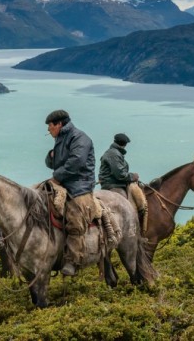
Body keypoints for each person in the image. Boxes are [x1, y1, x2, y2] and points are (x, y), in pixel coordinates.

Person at [44, 109, 96, 276]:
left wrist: (57, 177)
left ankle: (72, 260)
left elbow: (77, 162)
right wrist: (51, 156)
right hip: (63, 182)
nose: (48, 130)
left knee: (74, 219)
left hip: (79, 185)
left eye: (50, 126)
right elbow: (53, 163)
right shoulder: (61, 138)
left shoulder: (80, 138)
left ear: (59, 124)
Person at [98, 133, 148, 233]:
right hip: (114, 185)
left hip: (116, 183)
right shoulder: (114, 154)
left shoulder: (115, 153)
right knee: (130, 207)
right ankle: (134, 230)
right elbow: (120, 174)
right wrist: (133, 176)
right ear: (124, 144)